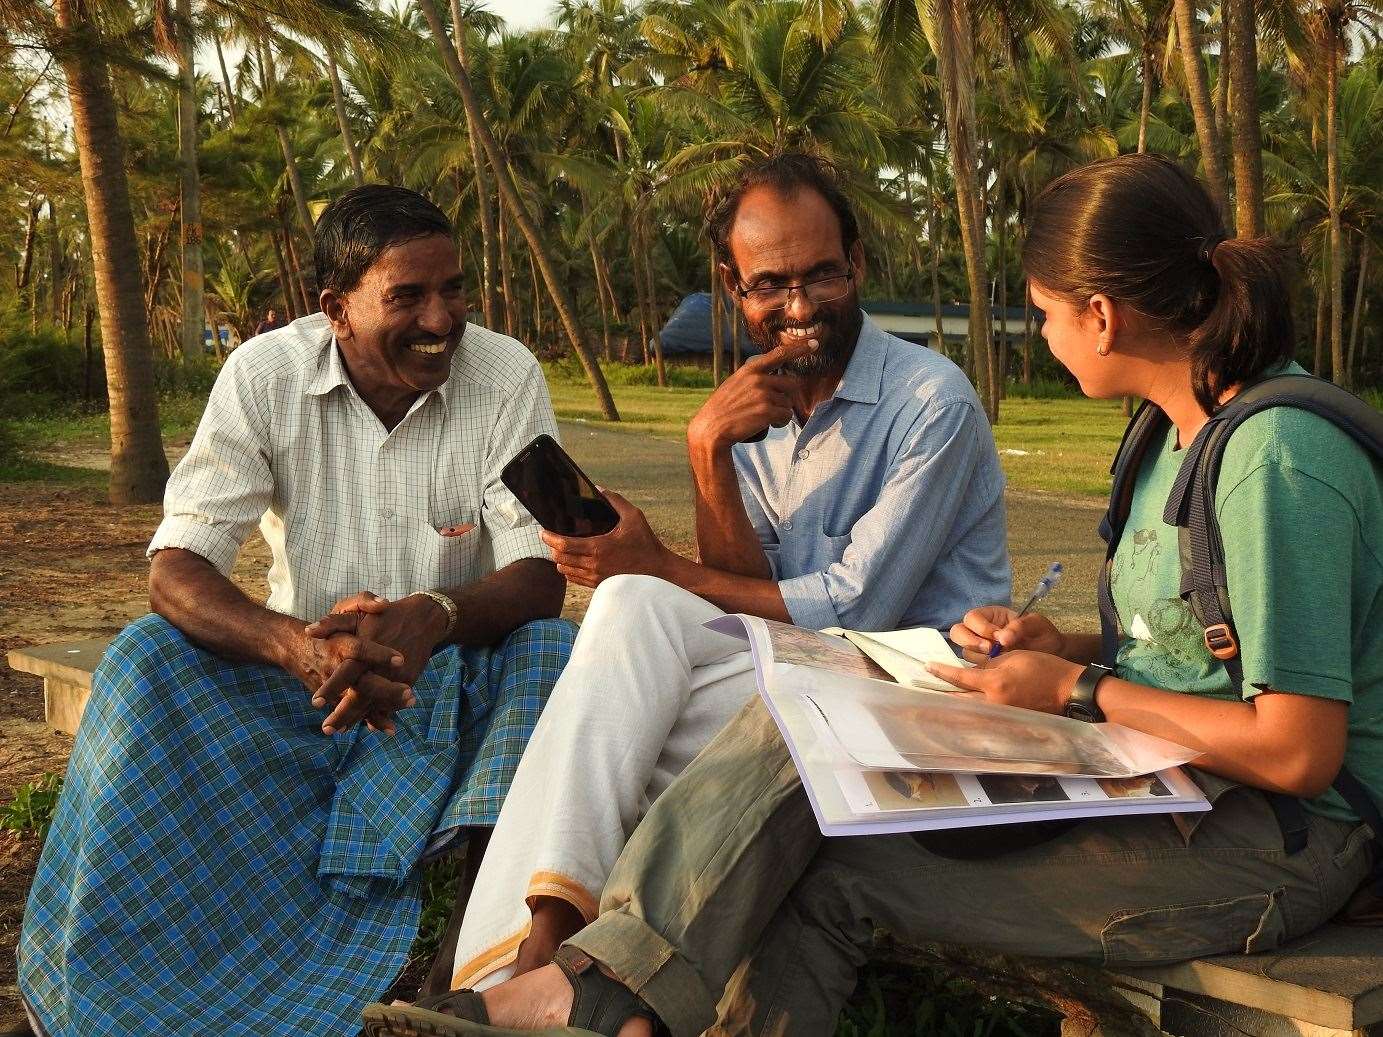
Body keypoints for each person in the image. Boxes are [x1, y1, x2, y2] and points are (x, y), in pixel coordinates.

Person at [364, 154, 1381, 1037]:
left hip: (1276, 840)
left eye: (1042, 311)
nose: (1042, 330)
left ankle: (588, 987)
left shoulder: (1272, 460)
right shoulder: (1168, 437)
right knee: (804, 786)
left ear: (1103, 315)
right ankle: (605, 996)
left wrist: (1077, 692)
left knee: (809, 790)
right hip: (1168, 781)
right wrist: (1059, 644)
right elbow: (1184, 651)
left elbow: (1297, 746)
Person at [434, 152, 1011, 996]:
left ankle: (512, 974)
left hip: (913, 687)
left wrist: (659, 562)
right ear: (732, 287)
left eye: (823, 275)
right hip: (807, 677)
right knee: (629, 612)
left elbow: (852, 606)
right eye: (770, 284)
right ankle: (538, 968)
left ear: (855, 265)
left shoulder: (932, 403)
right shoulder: (760, 404)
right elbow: (746, 590)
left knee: (630, 682)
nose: (800, 306)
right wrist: (707, 451)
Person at [19, 185, 575, 1037]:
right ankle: (109, 969)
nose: (442, 318)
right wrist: (296, 646)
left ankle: (471, 975)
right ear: (336, 310)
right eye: (408, 296)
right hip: (302, 675)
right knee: (144, 658)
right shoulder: (264, 374)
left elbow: (538, 573)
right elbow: (177, 568)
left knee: (552, 648)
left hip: (455, 662)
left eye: (453, 289)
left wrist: (426, 616)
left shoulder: (503, 376)